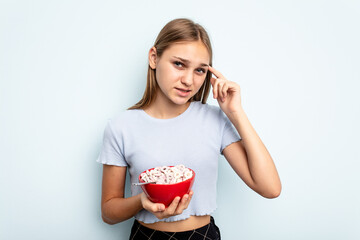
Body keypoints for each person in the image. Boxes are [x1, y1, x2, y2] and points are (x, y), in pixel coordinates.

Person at [96, 18, 281, 240]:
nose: (188, 80)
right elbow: (109, 212)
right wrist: (142, 201)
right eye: (179, 64)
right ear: (154, 58)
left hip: (203, 235)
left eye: (200, 70)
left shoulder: (214, 120)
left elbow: (270, 188)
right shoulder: (121, 127)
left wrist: (236, 113)